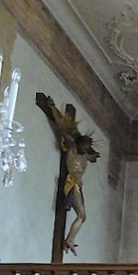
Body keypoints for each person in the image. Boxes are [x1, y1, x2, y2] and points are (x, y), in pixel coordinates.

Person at [36, 93, 100, 256]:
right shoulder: (72, 148)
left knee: (82, 216)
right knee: (82, 215)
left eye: (87, 148)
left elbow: (93, 156)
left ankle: (70, 238)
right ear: (79, 144)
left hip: (77, 185)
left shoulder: (85, 154)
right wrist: (52, 109)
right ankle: (69, 239)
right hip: (71, 182)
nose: (85, 150)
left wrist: (94, 155)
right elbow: (61, 127)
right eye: (84, 147)